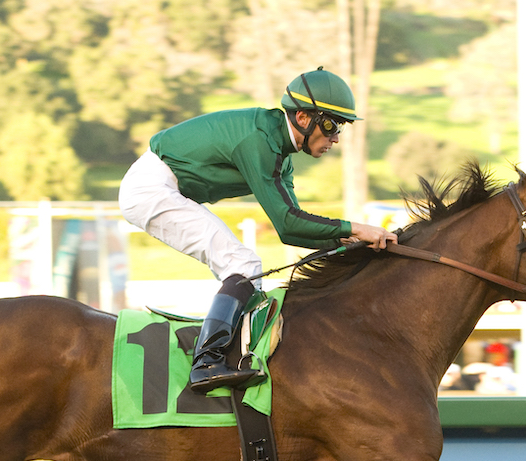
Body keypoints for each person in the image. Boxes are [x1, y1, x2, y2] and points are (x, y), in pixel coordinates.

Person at [119, 67, 396, 393]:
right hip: (150, 188)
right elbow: (288, 221)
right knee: (243, 264)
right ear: (304, 118)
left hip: (164, 188)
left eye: (340, 128)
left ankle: (232, 354)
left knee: (246, 267)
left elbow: (291, 231)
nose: (336, 137)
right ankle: (207, 363)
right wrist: (356, 228)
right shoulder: (260, 141)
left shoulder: (282, 156)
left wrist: (350, 239)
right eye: (332, 125)